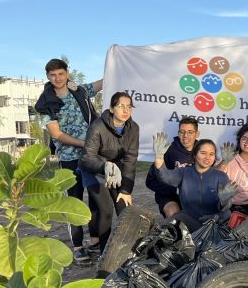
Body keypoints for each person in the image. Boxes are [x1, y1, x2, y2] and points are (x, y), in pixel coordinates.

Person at [34, 58, 102, 264]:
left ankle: (96, 241)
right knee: (72, 202)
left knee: (96, 198)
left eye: (61, 74)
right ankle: (79, 246)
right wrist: (84, 143)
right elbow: (56, 134)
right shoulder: (45, 104)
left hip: (92, 156)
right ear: (47, 76)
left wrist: (118, 60)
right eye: (53, 75)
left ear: (67, 73)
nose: (57, 78)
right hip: (70, 157)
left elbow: (101, 84)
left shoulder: (78, 91)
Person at [79, 92, 139, 254]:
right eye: (121, 106)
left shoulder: (133, 128)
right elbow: (87, 157)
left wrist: (126, 190)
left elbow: (130, 160)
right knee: (105, 211)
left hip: (116, 170)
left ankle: (128, 251)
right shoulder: (98, 126)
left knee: (125, 209)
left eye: (129, 106)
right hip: (94, 169)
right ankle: (104, 254)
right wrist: (104, 167)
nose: (125, 110)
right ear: (112, 109)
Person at [151, 136, 237, 231]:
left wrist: (224, 201)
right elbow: (165, 177)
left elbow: (226, 207)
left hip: (214, 222)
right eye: (203, 153)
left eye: (211, 154)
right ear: (195, 155)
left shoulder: (221, 176)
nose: (207, 157)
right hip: (189, 219)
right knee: (169, 225)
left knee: (227, 214)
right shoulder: (183, 172)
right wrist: (159, 158)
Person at [144, 116, 198, 218]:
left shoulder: (202, 152)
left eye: (190, 132)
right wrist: (175, 190)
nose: (185, 135)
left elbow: (210, 175)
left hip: (193, 196)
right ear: (178, 133)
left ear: (197, 134)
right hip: (170, 196)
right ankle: (174, 232)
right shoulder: (168, 152)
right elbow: (150, 181)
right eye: (182, 131)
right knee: (174, 212)